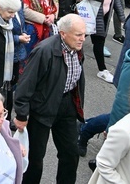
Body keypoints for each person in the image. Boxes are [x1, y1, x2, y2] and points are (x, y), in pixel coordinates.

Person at [13, 14, 86, 184]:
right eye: (78, 35)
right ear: (63, 33)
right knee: (35, 158)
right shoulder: (44, 51)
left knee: (70, 153)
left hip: (67, 105)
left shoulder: (77, 48)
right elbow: (26, 83)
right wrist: (22, 114)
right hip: (42, 107)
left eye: (84, 34)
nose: (82, 39)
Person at [77, 0, 125, 83]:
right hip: (90, 13)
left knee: (98, 40)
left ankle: (101, 70)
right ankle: (99, 69)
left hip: (104, 14)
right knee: (84, 38)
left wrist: (121, 17)